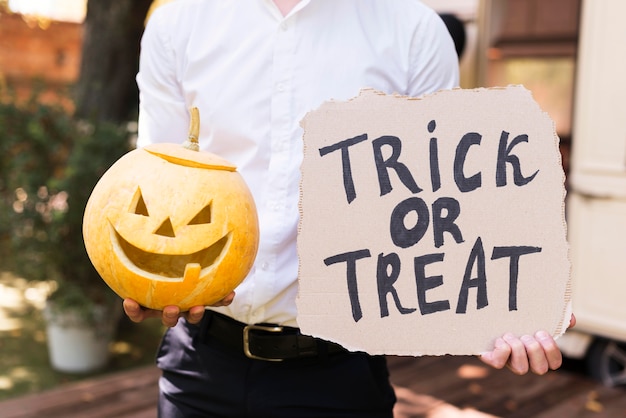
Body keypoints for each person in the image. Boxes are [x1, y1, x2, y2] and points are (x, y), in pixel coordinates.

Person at [123, 1, 575, 417]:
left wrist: (496, 302)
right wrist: (149, 280)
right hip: (200, 365)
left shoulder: (414, 33)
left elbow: (439, 205)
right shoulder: (177, 25)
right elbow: (158, 185)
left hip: (338, 375)